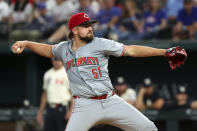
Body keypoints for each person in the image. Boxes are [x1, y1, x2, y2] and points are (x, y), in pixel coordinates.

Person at [12, 12, 186, 131]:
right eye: (85, 25)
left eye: (90, 25)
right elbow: (48, 50)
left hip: (110, 100)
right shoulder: (63, 49)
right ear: (75, 30)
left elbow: (131, 50)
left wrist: (164, 52)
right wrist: (27, 43)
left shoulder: (101, 43)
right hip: (84, 105)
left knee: (148, 128)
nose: (90, 28)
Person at [36, 58, 71, 131]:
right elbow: (45, 94)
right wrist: (40, 112)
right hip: (50, 108)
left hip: (63, 107)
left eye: (58, 59)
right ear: (52, 61)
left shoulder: (67, 73)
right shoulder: (48, 74)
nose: (56, 62)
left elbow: (73, 94)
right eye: (54, 59)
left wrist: (71, 111)